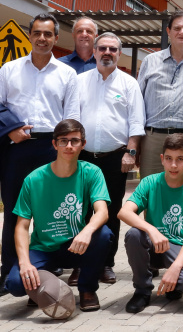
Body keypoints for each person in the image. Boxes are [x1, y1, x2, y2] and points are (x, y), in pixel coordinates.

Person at [0, 12, 80, 297]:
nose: (42, 38)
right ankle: (7, 273)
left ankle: (52, 268)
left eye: (48, 34)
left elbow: (72, 115)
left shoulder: (67, 74)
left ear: (55, 38)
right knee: (15, 214)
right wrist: (10, 130)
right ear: (30, 35)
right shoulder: (9, 70)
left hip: (53, 149)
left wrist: (66, 150)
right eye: (37, 33)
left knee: (56, 213)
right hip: (17, 149)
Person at [5, 119, 112, 312]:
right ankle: (42, 287)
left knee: (103, 235)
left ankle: (87, 289)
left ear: (83, 144)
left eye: (75, 141)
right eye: (63, 141)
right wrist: (25, 263)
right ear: (54, 144)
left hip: (75, 245)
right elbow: (21, 226)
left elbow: (102, 211)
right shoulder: (33, 179)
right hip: (43, 248)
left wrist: (86, 231)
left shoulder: (91, 172)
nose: (69, 146)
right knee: (15, 284)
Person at [72, 32, 144, 287]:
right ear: (93, 51)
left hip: (115, 158)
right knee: (80, 211)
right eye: (102, 48)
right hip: (82, 157)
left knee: (111, 211)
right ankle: (79, 265)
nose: (107, 53)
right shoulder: (78, 81)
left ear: (119, 53)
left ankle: (105, 264)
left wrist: (131, 152)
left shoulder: (129, 84)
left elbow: (136, 122)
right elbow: (71, 118)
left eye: (113, 49)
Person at [119, 134, 183, 313]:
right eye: (169, 159)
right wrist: (151, 229)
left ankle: (174, 285)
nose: (173, 165)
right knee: (133, 234)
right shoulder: (149, 182)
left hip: (177, 246)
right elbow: (124, 212)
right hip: (153, 243)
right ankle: (142, 290)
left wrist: (176, 268)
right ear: (162, 160)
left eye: (180, 159)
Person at [137, 10, 183, 182]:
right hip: (153, 139)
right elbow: (137, 103)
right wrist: (135, 141)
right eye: (177, 28)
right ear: (168, 31)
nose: (182, 32)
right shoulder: (150, 61)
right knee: (150, 192)